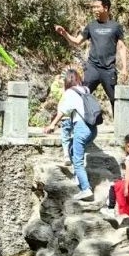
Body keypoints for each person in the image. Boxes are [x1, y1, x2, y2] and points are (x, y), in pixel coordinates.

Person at [54, 0, 128, 110]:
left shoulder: (116, 26)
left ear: (106, 8)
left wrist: (124, 68)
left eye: (97, 7)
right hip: (92, 67)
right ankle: (78, 124)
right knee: (81, 95)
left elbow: (122, 47)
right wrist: (64, 33)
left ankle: (119, 127)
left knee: (115, 99)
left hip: (108, 69)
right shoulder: (91, 26)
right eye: (93, 8)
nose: (94, 10)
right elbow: (77, 41)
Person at [51, 68, 98, 201]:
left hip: (81, 128)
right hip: (93, 129)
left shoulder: (70, 92)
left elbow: (62, 111)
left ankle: (85, 189)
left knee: (77, 160)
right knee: (72, 149)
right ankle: (79, 176)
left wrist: (52, 125)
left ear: (67, 80)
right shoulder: (86, 90)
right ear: (78, 78)